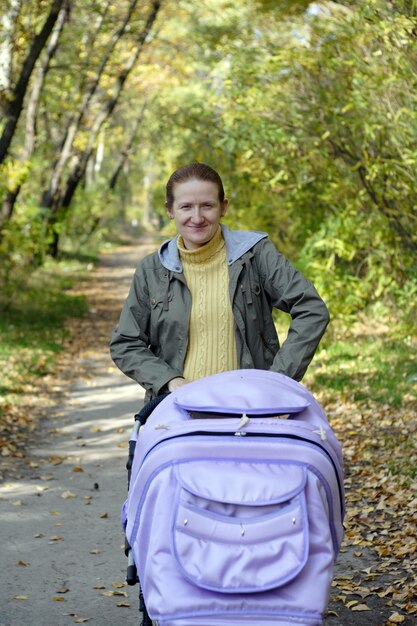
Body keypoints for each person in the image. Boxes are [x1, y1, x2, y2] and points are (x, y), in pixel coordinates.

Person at [110, 162, 329, 401]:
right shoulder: (152, 270)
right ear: (170, 210)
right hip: (178, 411)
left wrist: (276, 380)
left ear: (223, 207)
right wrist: (169, 381)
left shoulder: (255, 255)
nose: (197, 217)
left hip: (251, 406)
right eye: (186, 207)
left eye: (207, 206)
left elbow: (311, 309)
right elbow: (126, 344)